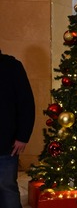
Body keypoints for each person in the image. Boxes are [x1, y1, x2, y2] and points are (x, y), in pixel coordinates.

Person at [0, 50, 35, 208]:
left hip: (5, 143)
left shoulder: (12, 66)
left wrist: (23, 136)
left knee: (7, 189)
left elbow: (26, 104)